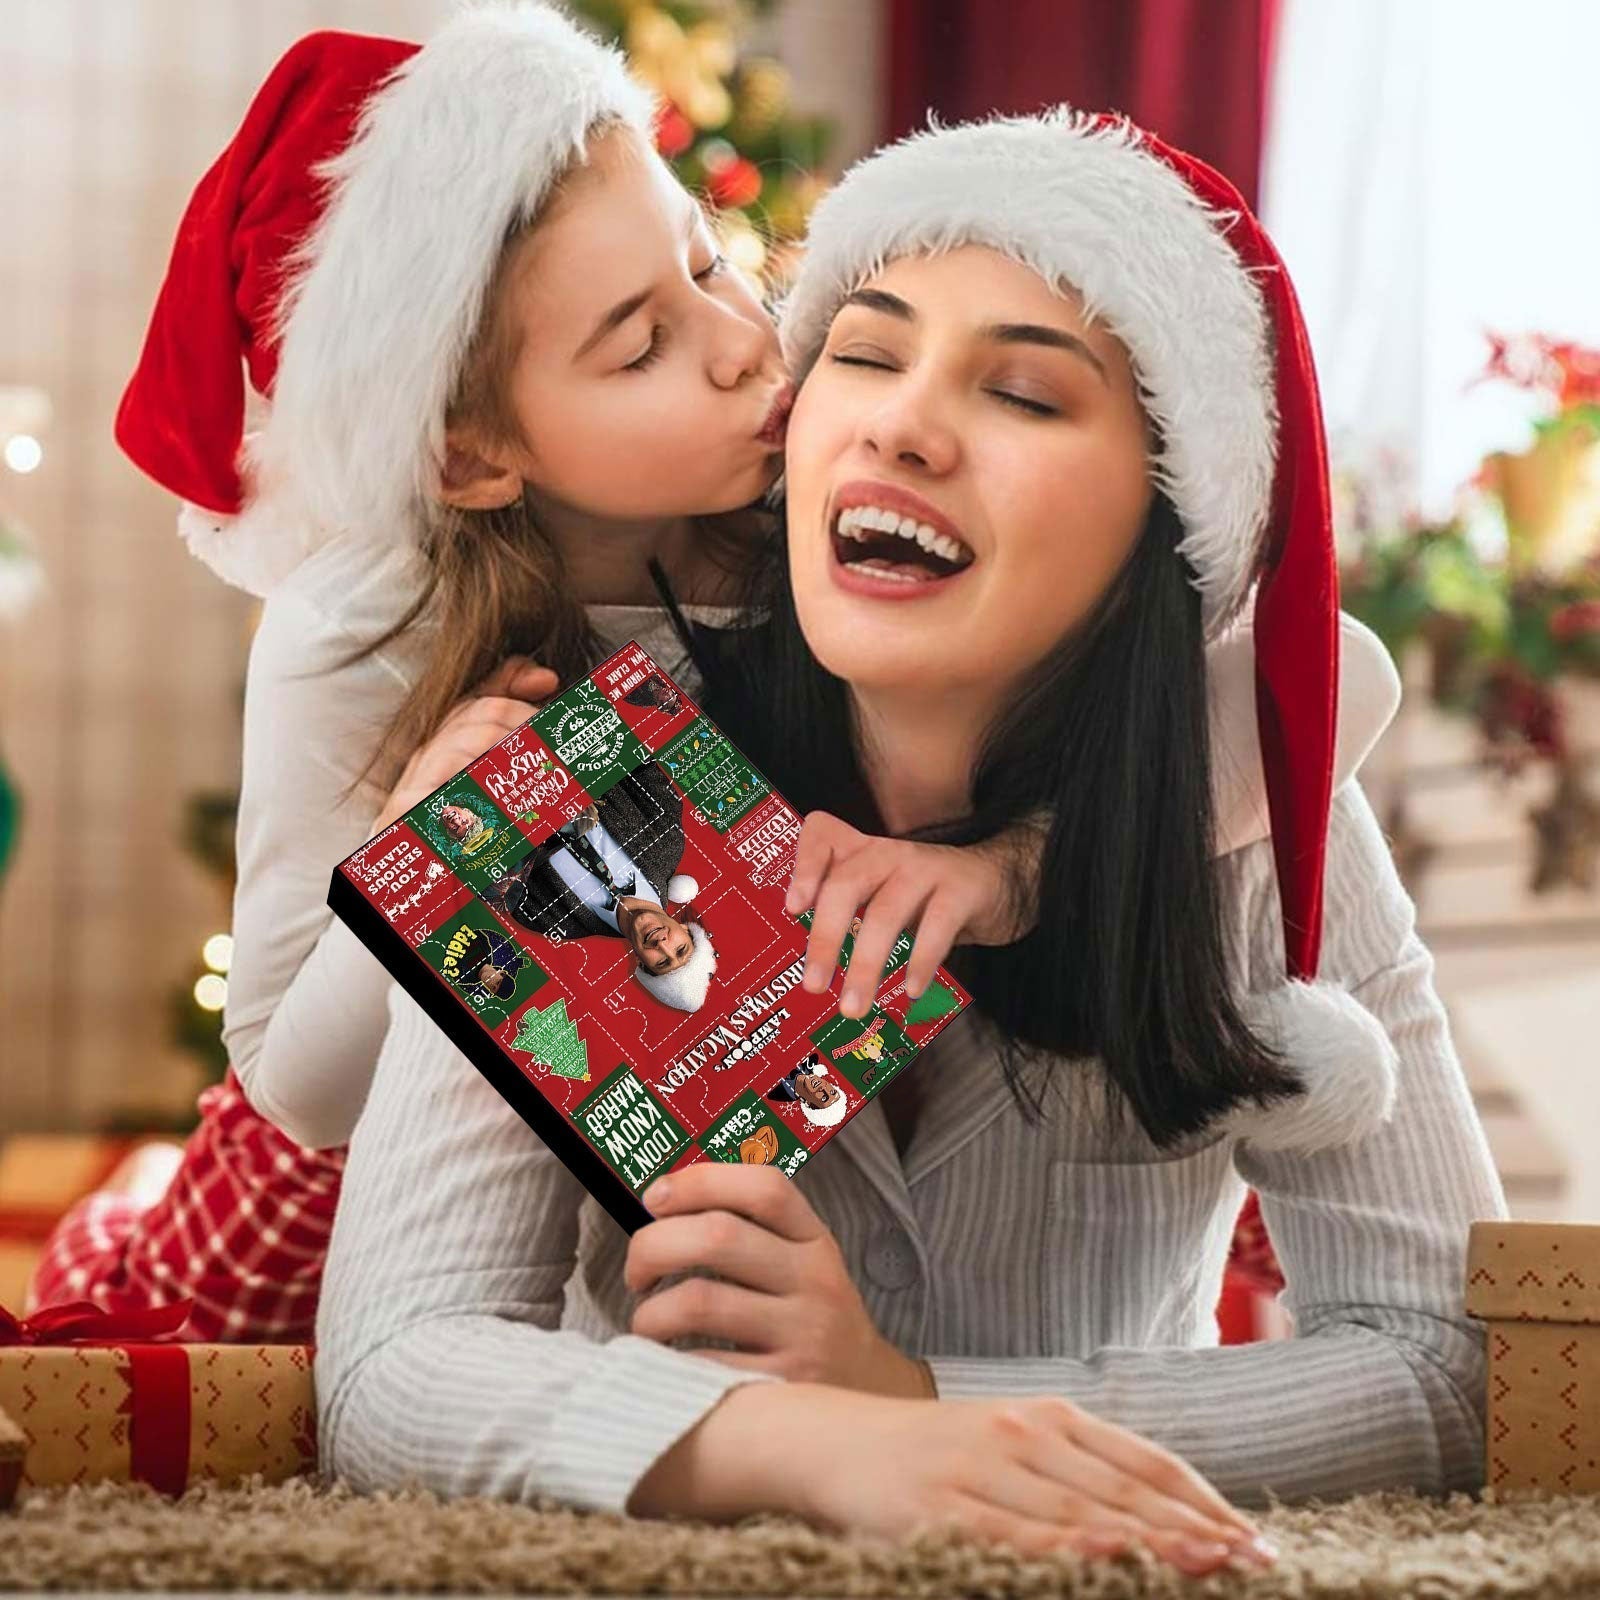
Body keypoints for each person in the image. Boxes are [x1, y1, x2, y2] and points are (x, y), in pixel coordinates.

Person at [27, 5, 1398, 1348]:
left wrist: (1014, 868)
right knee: (178, 1358)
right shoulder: (364, 623)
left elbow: (1339, 680)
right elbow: (295, 1089)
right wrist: (410, 852)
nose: (748, 336)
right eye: (641, 344)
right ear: (468, 458)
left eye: (708, 258)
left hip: (760, 1083)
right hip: (377, 1122)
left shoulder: (822, 500)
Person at [310, 112, 1466, 1577]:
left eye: (1029, 397)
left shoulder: (1261, 825)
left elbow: (1444, 1367)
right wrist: (824, 1443)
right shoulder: (590, 772)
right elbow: (389, 1366)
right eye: (863, 352)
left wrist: (924, 1397)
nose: (902, 423)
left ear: (1171, 522)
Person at [482, 765, 720, 1012]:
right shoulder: (667, 838)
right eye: (680, 949)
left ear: (640, 963)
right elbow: (629, 756)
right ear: (686, 929)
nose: (662, 945)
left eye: (661, 962)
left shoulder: (552, 921)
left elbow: (484, 875)